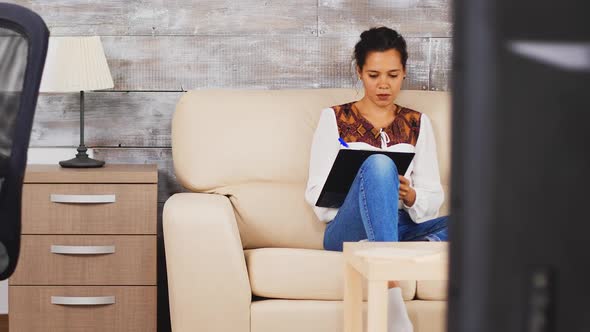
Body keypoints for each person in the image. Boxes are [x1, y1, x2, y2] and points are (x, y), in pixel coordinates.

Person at [304, 26, 449, 332]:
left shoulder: (418, 123)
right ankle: (392, 302)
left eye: (393, 75)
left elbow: (433, 194)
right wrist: (367, 187)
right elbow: (317, 198)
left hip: (400, 223)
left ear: (404, 73)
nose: (384, 85)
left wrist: (411, 196)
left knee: (478, 221)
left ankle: (389, 243)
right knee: (379, 165)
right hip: (346, 229)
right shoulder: (334, 119)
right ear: (359, 72)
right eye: (374, 75)